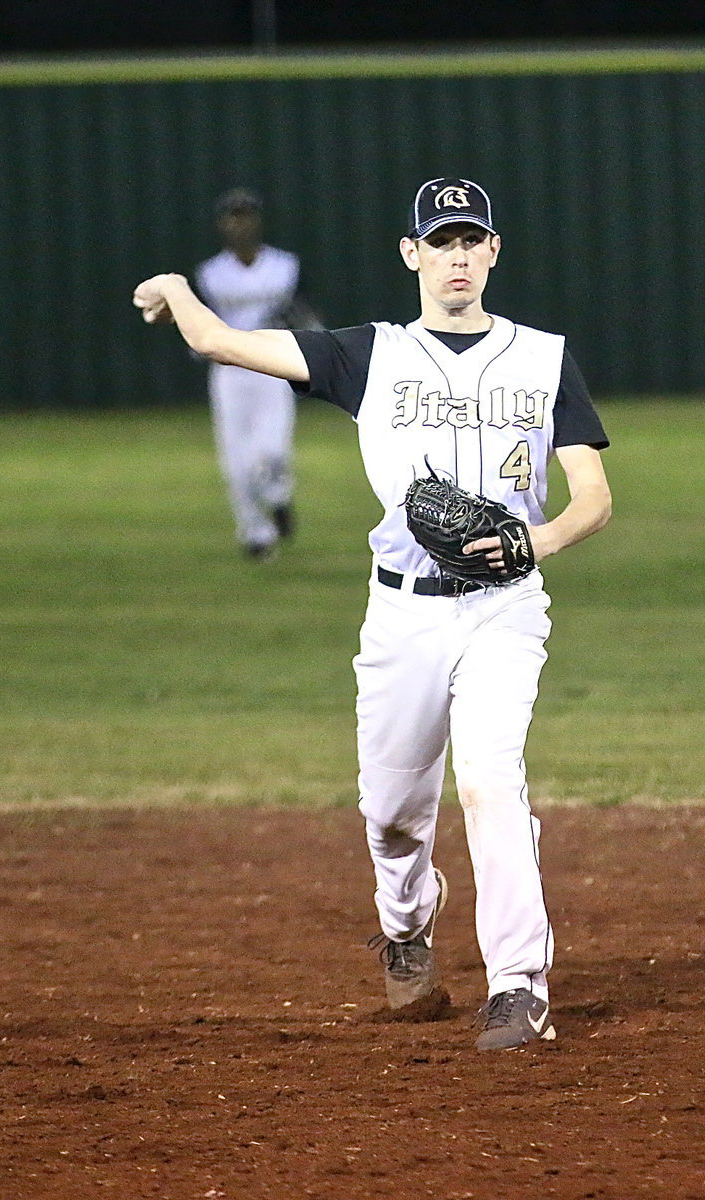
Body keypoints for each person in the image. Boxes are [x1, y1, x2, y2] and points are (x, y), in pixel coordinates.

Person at [134, 176, 612, 1050]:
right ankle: (406, 924)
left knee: (489, 782)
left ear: (493, 252)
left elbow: (592, 499)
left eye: (472, 241)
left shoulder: (544, 359)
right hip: (401, 618)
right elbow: (221, 342)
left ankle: (518, 984)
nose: (457, 256)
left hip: (504, 609)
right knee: (393, 821)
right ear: (412, 253)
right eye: (441, 241)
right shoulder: (370, 356)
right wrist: (174, 292)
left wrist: (528, 546)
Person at [196, 187, 323, 559]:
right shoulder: (211, 274)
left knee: (270, 450)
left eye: (246, 214)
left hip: (272, 365)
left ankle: (278, 497)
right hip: (230, 371)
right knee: (235, 460)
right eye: (233, 216)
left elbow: (308, 318)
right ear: (222, 224)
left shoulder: (285, 266)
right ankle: (255, 533)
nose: (240, 223)